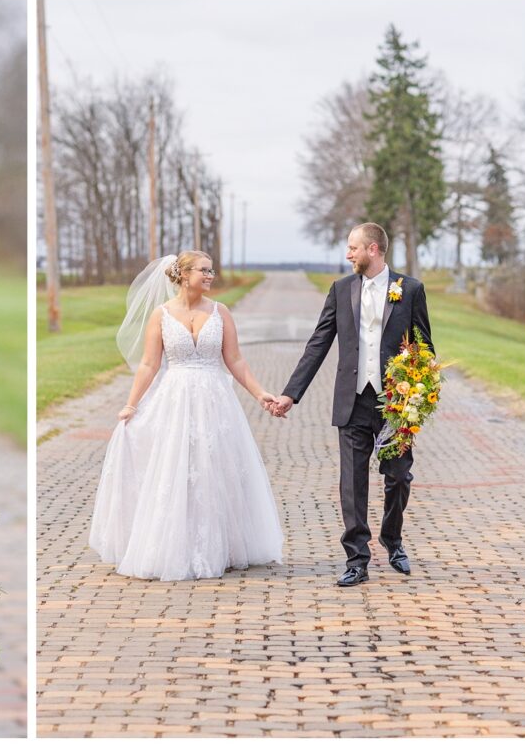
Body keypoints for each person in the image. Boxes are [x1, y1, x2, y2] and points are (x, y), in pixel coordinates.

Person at [89, 250, 285, 581]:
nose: (210, 276)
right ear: (183, 274)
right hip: (175, 397)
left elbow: (235, 360)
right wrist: (131, 404)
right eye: (204, 270)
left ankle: (218, 546)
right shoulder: (161, 314)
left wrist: (259, 393)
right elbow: (150, 364)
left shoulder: (221, 312)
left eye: (211, 271)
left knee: (213, 467)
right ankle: (173, 545)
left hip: (215, 399)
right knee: (175, 467)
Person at [271, 222, 433, 588]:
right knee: (352, 482)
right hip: (354, 399)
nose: (348, 254)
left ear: (373, 249)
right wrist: (290, 394)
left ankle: (392, 539)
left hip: (396, 402)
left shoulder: (410, 290)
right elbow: (319, 342)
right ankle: (357, 558)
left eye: (353, 248)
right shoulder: (341, 290)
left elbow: (425, 348)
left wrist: (417, 398)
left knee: (398, 476)